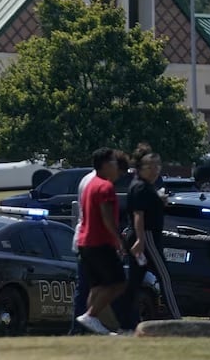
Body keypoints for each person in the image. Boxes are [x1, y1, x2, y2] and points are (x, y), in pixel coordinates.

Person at [114, 144, 182, 328]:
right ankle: (177, 318)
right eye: (150, 167)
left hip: (144, 238)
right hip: (147, 237)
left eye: (157, 166)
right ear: (140, 168)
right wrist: (140, 241)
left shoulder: (147, 187)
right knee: (164, 276)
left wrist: (160, 202)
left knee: (135, 282)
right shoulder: (140, 187)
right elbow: (138, 215)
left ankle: (124, 321)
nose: (154, 170)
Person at [70, 151, 129, 336]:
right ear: (104, 165)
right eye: (113, 163)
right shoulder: (104, 187)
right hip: (99, 242)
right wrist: (119, 239)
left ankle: (88, 326)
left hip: (84, 241)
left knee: (96, 287)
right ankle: (91, 315)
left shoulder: (89, 185)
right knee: (118, 283)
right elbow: (107, 218)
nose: (116, 167)